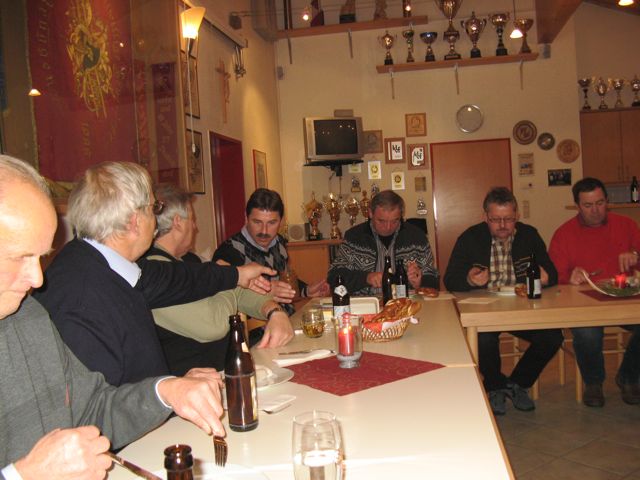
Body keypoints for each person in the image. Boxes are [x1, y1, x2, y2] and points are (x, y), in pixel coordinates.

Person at [0, 155, 225, 480]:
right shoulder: (77, 294)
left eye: (40, 257)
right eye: (19, 257)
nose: (37, 278)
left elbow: (91, 408)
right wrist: (21, 475)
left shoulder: (27, 315)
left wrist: (166, 391)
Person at [33, 162, 274, 387]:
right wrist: (167, 391)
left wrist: (235, 274)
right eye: (154, 208)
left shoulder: (109, 265)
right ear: (134, 221)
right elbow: (96, 399)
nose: (157, 223)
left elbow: (179, 279)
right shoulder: (81, 294)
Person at [143, 184, 294, 374]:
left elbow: (242, 292)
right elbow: (215, 324)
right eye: (192, 219)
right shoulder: (153, 271)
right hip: (190, 383)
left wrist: (274, 311)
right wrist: (231, 277)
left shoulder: (190, 259)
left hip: (226, 372)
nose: (195, 227)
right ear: (178, 222)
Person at [444, 187, 563, 416]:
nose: (502, 225)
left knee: (552, 336)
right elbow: (450, 280)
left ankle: (517, 383)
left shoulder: (529, 235)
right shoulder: (470, 238)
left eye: (508, 219)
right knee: (484, 339)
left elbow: (552, 273)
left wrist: (546, 277)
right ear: (485, 217)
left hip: (523, 308)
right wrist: (469, 279)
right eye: (495, 219)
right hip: (485, 308)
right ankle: (495, 387)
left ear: (517, 215)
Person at [549, 177, 640, 407]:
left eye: (600, 203)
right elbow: (553, 275)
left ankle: (629, 376)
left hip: (623, 299)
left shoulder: (627, 225)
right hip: (586, 303)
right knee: (587, 331)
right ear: (577, 206)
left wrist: (635, 257)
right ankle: (593, 383)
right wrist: (569, 277)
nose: (595, 210)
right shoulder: (564, 234)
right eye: (588, 205)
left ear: (607, 201)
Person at [213, 188, 330, 316]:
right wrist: (266, 292)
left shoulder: (279, 242)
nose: (264, 231)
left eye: (272, 223)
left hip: (287, 319)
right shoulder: (228, 251)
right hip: (256, 326)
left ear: (281, 221)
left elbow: (283, 282)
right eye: (257, 222)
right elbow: (225, 299)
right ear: (246, 218)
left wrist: (306, 291)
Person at [327, 190, 438, 295]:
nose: (388, 227)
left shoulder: (416, 237)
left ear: (401, 215)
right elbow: (334, 277)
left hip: (405, 302)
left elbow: (433, 280)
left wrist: (420, 282)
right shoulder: (354, 237)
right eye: (381, 221)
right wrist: (366, 278)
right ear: (370, 213)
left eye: (395, 221)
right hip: (366, 303)